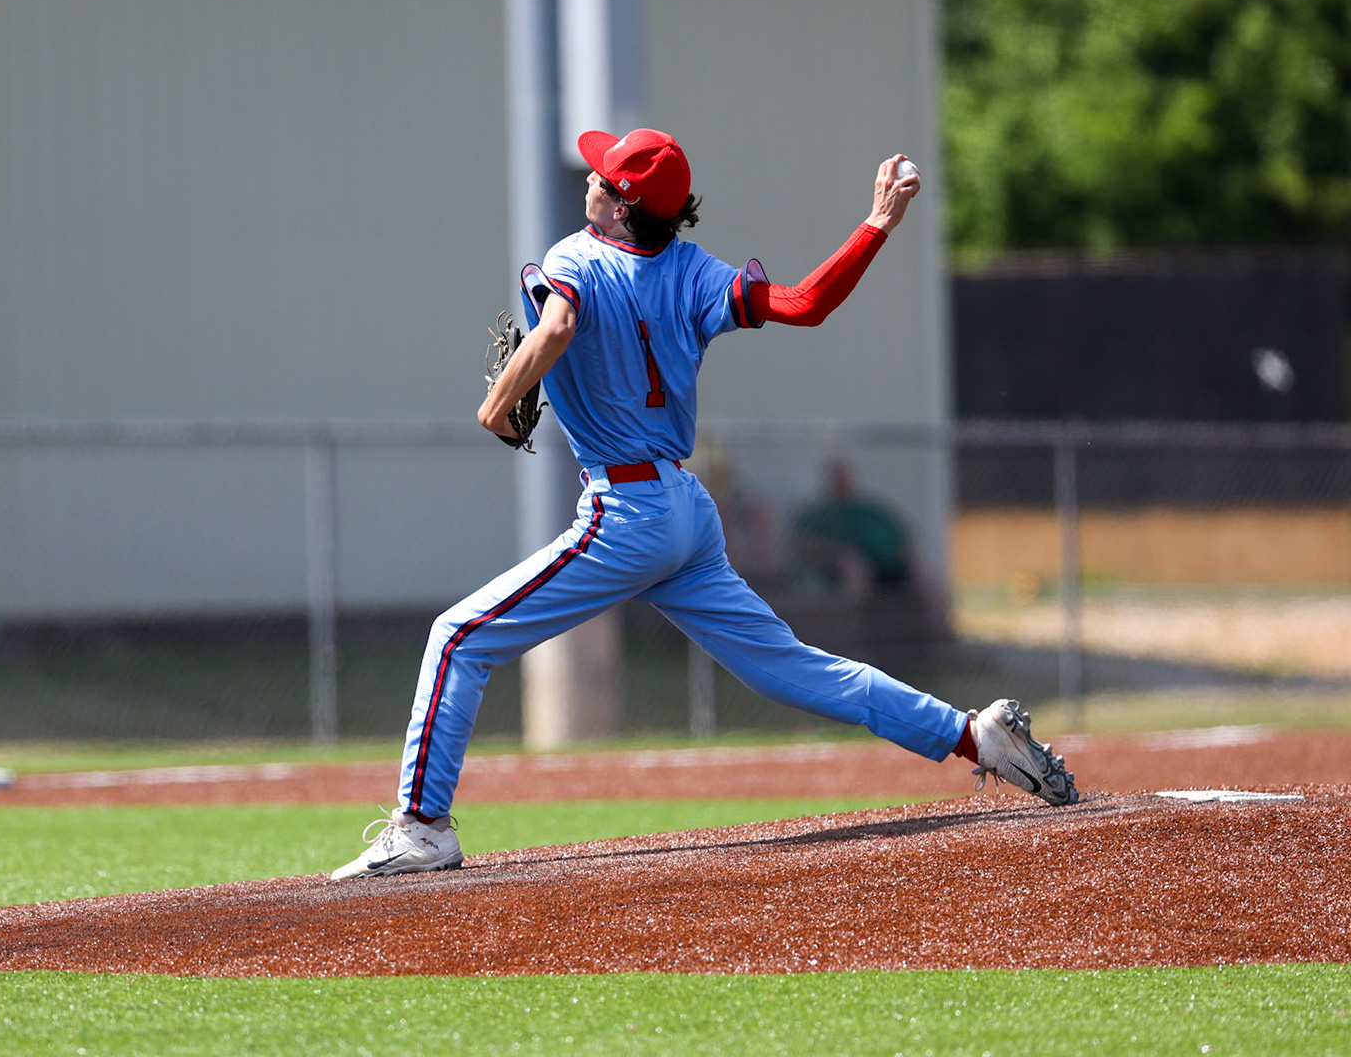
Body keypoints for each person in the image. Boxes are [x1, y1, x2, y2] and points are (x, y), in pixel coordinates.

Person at [332, 131, 1075, 880]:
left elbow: (556, 327)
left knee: (459, 637)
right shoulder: (694, 271)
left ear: (622, 207)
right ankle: (975, 738)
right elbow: (806, 304)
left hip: (625, 513)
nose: (592, 177)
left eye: (605, 175)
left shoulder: (575, 257)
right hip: (685, 509)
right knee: (792, 669)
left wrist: (497, 405)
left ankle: (423, 827)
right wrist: (876, 223)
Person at [793, 458, 913, 594]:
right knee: (853, 569)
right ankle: (860, 614)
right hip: (841, 570)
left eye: (845, 477)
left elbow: (902, 537)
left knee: (928, 578)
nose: (842, 483)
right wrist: (841, 554)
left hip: (889, 568)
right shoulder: (818, 516)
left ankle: (931, 615)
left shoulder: (871, 512)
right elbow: (805, 546)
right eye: (837, 478)